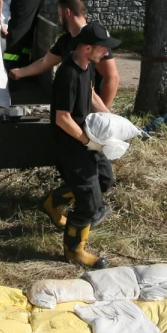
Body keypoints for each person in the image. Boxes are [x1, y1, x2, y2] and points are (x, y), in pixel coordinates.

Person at [48, 23, 122, 269]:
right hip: (70, 144)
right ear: (88, 47)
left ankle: (55, 201)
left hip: (86, 137)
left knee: (105, 180)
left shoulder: (87, 66)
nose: (106, 54)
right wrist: (88, 142)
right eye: (103, 49)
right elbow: (62, 118)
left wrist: (111, 120)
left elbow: (90, 94)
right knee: (89, 201)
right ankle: (74, 251)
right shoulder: (68, 74)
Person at [9, 0, 120, 106]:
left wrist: (103, 115)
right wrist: (19, 73)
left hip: (93, 106)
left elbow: (112, 77)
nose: (59, 19)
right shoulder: (65, 40)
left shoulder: (94, 35)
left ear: (67, 13)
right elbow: (44, 62)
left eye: (59, 14)